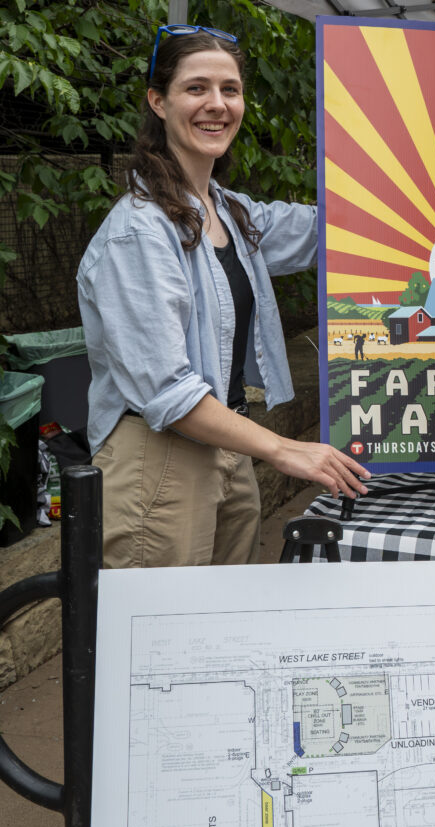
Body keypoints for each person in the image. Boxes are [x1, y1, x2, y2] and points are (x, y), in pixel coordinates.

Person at [77, 24, 370, 569]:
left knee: (217, 642)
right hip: (160, 461)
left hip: (227, 449)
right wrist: (284, 448)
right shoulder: (138, 231)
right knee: (162, 644)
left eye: (229, 90)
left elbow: (331, 230)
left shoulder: (229, 210)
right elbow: (167, 393)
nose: (217, 105)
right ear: (158, 101)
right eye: (197, 88)